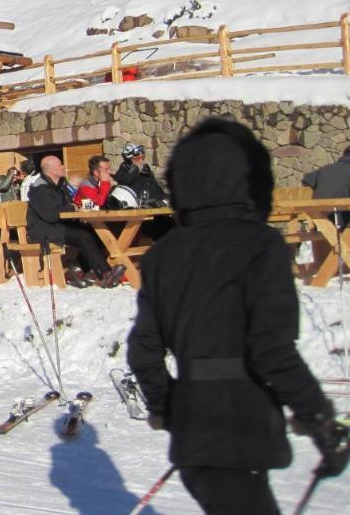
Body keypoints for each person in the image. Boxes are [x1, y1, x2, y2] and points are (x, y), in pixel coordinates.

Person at [128, 118, 348, 513]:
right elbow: (271, 350)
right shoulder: (261, 246)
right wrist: (319, 421)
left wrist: (170, 408)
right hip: (241, 430)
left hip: (199, 437)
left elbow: (144, 351)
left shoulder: (163, 254)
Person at [25, 156, 124, 288]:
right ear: (51, 169)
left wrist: (74, 209)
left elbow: (65, 206)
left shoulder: (58, 185)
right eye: (60, 164)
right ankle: (106, 274)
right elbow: (50, 215)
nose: (63, 166)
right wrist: (73, 208)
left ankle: (76, 268)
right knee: (82, 236)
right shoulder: (40, 188)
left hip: (57, 225)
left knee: (95, 232)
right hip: (42, 229)